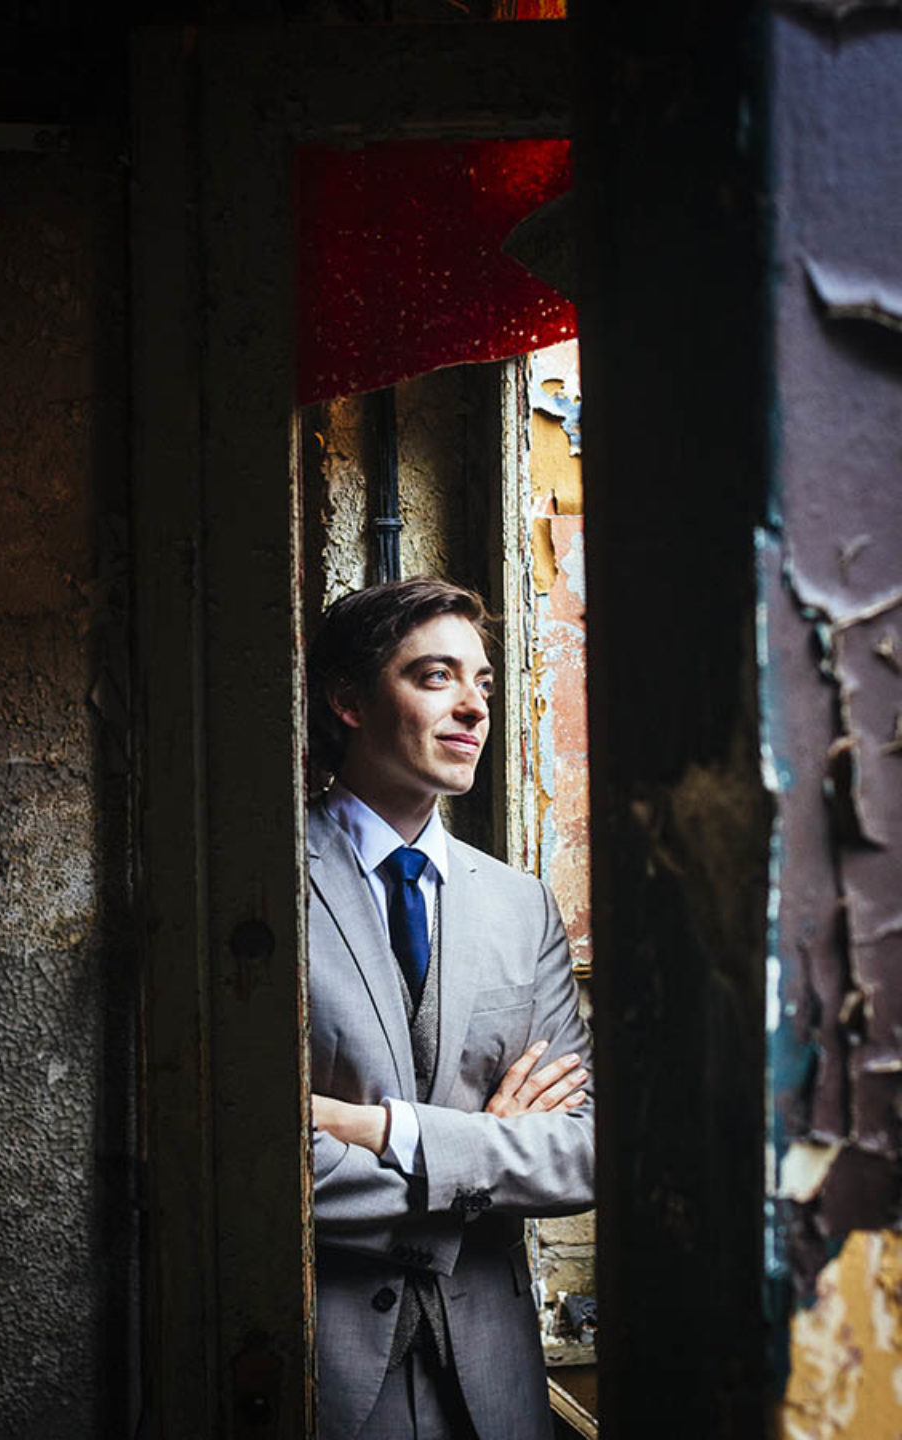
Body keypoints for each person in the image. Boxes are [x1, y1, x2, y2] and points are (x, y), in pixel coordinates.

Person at [306, 577, 594, 1440]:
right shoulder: (260, 884)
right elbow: (256, 1156)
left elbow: (584, 1153)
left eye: (484, 684)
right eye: (436, 676)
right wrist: (486, 1154)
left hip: (493, 1382)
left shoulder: (520, 905)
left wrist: (386, 1130)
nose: (474, 707)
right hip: (320, 1367)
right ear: (349, 700)